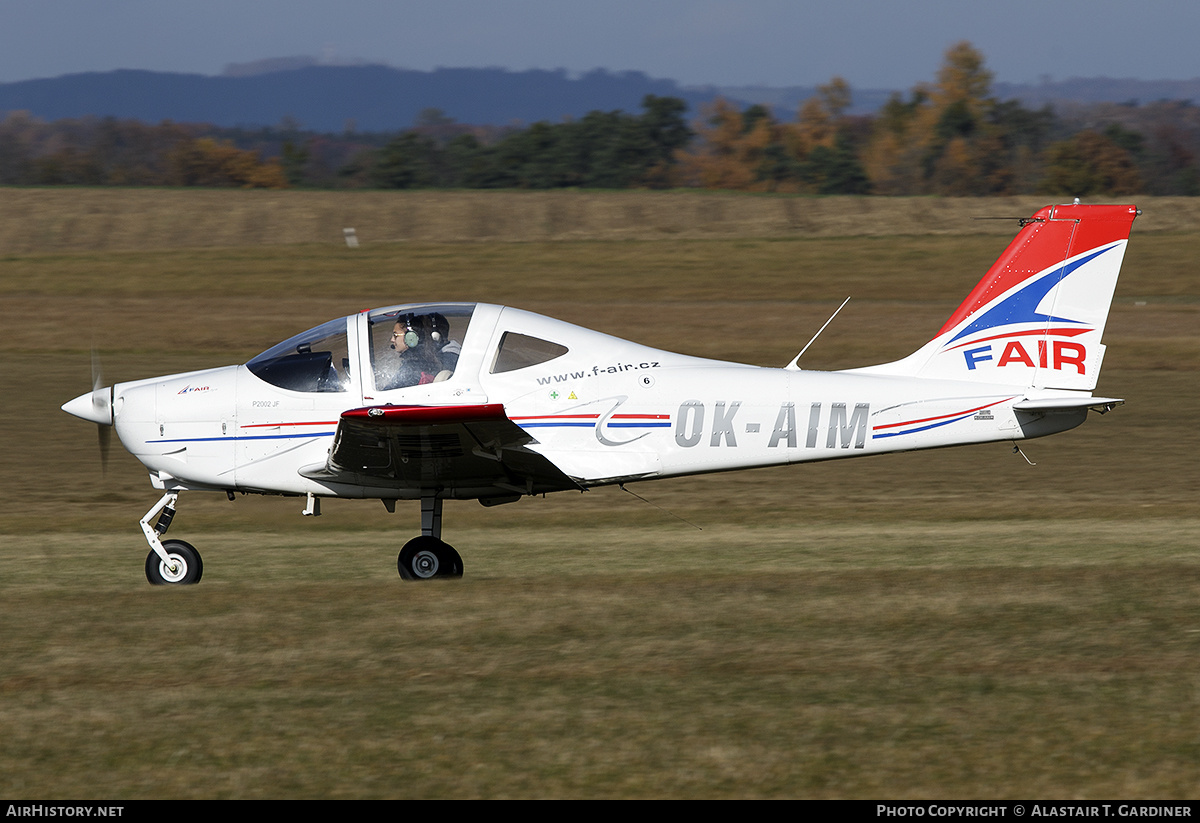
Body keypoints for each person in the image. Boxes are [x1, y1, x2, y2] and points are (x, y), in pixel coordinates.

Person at [379, 313, 445, 389]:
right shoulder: (430, 360)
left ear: (410, 337)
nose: (392, 340)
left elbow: (389, 393)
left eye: (395, 335)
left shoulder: (411, 369)